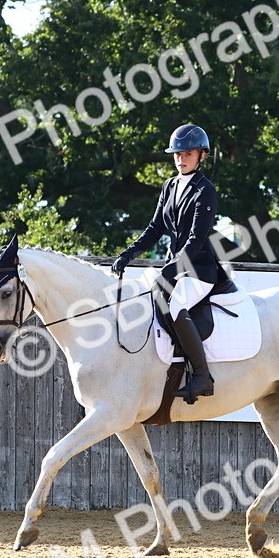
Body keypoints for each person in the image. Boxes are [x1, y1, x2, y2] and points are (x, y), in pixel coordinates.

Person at [111, 124, 223, 404]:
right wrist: (129, 253)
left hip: (199, 270)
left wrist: (173, 268)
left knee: (173, 304)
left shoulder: (204, 190)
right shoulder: (170, 186)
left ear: (201, 156)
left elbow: (196, 239)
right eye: (177, 154)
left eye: (187, 153)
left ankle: (201, 376)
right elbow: (155, 227)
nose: (181, 159)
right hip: (176, 267)